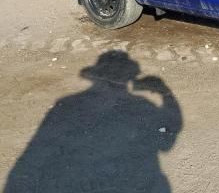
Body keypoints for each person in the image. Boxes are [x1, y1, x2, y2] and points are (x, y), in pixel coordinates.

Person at [4, 51, 182, 193]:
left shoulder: (66, 104)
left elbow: (36, 153)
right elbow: (167, 143)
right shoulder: (143, 106)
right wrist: (165, 92)